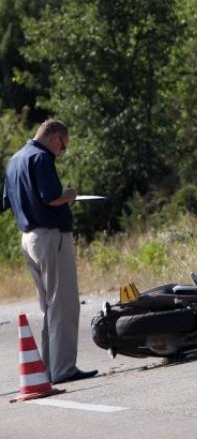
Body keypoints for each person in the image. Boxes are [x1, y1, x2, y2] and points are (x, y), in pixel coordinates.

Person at [2, 119, 97, 384]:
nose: (61, 152)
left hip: (28, 239)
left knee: (48, 306)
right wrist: (69, 195)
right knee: (64, 304)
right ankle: (63, 369)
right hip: (50, 236)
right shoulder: (41, 158)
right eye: (63, 147)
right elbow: (50, 197)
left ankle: (47, 369)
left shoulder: (15, 160)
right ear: (55, 137)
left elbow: (6, 201)